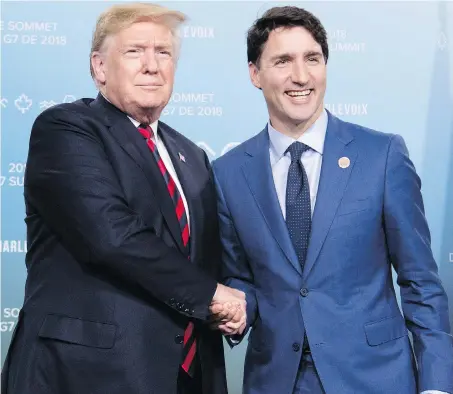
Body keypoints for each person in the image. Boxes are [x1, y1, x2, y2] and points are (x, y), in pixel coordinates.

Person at [0, 3, 246, 394]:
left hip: (187, 376)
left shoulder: (193, 156)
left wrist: (238, 307)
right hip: (86, 375)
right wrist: (210, 295)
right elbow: (111, 236)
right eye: (134, 52)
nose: (152, 65)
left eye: (163, 53)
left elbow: (208, 260)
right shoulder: (66, 129)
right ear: (99, 68)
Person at [212, 6, 453, 394]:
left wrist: (437, 385)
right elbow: (241, 276)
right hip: (277, 381)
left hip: (375, 378)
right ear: (255, 73)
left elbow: (421, 281)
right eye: (283, 61)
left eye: (313, 58)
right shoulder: (228, 172)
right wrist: (238, 310)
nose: (301, 76)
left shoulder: (382, 155)